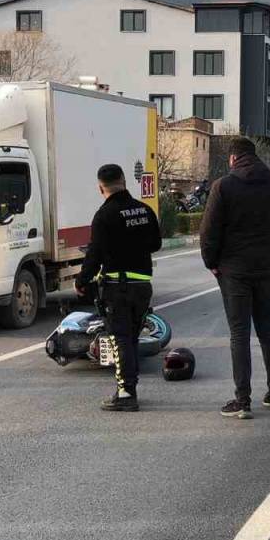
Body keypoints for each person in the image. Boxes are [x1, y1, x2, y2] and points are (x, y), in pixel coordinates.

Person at [201, 137, 270, 419]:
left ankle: (242, 401)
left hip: (234, 270)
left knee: (239, 334)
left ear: (232, 158)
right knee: (268, 331)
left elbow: (209, 230)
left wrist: (211, 263)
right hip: (265, 267)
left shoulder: (223, 186)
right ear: (255, 155)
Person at [77, 164, 162, 412]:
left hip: (118, 287)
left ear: (100, 187)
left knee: (120, 340)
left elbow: (94, 254)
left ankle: (125, 394)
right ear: (124, 181)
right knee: (131, 339)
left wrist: (82, 281)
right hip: (142, 286)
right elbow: (156, 244)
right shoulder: (145, 210)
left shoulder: (104, 215)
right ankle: (129, 389)